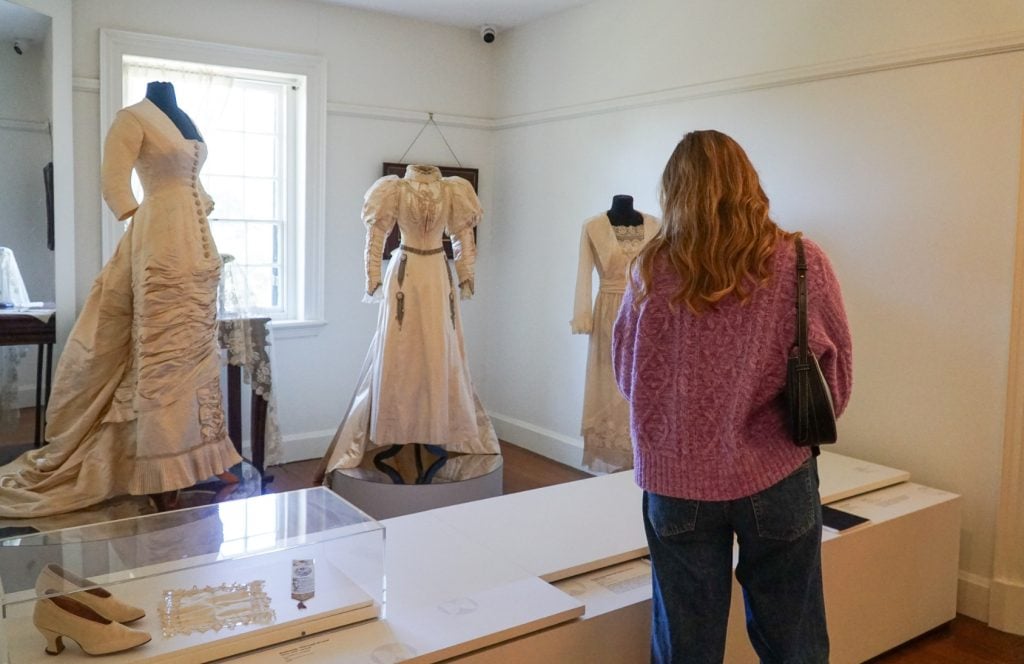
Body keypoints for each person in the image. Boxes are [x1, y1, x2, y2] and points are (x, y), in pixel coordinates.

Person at [612, 130, 852, 663]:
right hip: (778, 476)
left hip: (676, 483)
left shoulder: (649, 269)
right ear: (749, 183)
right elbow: (835, 382)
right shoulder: (801, 260)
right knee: (795, 643)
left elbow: (628, 378)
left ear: (674, 191)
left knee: (685, 644)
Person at [0, 82, 241, 517]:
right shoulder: (133, 117)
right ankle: (160, 467)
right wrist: (145, 224)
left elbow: (192, 183)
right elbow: (114, 181)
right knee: (163, 351)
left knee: (196, 351)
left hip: (197, 244)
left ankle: (202, 455)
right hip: (161, 241)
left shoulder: (184, 119)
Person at [571, 195, 659, 472]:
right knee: (609, 380)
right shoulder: (593, 227)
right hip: (609, 311)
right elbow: (583, 274)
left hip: (647, 311)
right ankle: (615, 455)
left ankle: (642, 452)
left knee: (644, 380)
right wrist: (583, 316)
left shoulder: (657, 227)